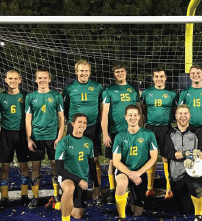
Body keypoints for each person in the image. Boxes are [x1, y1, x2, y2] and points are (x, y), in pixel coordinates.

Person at [45, 113, 97, 221]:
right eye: (79, 122)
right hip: (67, 177)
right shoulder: (64, 142)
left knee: (77, 215)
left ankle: (55, 204)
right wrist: (78, 180)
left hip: (82, 179)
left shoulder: (88, 143)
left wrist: (97, 185)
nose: (82, 125)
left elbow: (92, 166)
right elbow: (59, 169)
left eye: (85, 123)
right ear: (72, 124)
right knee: (69, 187)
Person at [111, 105, 158, 221]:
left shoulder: (148, 134)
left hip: (140, 172)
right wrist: (131, 174)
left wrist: (139, 173)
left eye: (135, 115)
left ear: (139, 116)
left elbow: (154, 157)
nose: (132, 117)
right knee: (121, 183)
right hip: (124, 171)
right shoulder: (120, 136)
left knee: (137, 213)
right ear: (125, 117)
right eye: (130, 115)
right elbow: (116, 161)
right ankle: (121, 217)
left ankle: (129, 199)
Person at [63, 60, 104, 203]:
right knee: (72, 159)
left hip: (92, 127)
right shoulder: (69, 88)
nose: (84, 73)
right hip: (74, 128)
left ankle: (96, 188)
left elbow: (101, 107)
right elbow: (66, 107)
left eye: (86, 70)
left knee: (94, 159)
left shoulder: (97, 87)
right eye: (81, 70)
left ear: (90, 72)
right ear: (76, 72)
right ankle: (74, 187)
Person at [163, 104, 202, 221]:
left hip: (194, 172)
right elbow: (169, 153)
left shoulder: (197, 132)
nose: (183, 116)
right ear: (176, 116)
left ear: (189, 116)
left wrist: (194, 157)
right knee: (184, 209)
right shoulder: (170, 133)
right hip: (177, 174)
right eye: (180, 113)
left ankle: (199, 216)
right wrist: (187, 153)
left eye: (185, 114)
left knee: (196, 188)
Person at [25, 69, 65, 209]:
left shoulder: (56, 96)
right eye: (39, 78)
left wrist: (60, 136)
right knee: (36, 167)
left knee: (55, 166)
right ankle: (35, 197)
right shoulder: (30, 97)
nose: (42, 80)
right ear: (36, 80)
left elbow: (61, 118)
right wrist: (29, 138)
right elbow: (28, 119)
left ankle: (56, 195)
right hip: (37, 137)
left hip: (53, 137)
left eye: (45, 78)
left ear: (49, 79)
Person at [101, 65, 141, 203]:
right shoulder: (108, 90)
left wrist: (140, 130)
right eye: (117, 72)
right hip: (114, 131)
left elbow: (139, 110)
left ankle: (131, 188)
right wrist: (105, 133)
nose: (120, 74)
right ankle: (113, 190)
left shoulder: (133, 89)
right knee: (112, 161)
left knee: (132, 158)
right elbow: (104, 113)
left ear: (126, 73)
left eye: (122, 71)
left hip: (132, 131)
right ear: (113, 74)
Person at [178, 65, 202, 201]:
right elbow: (180, 112)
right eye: (193, 73)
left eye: (198, 73)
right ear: (189, 76)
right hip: (189, 131)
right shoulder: (185, 92)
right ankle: (189, 190)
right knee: (188, 158)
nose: (195, 75)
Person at [141, 68, 178, 200]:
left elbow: (176, 110)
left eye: (161, 76)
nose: (159, 79)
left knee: (166, 158)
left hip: (166, 128)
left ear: (165, 78)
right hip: (151, 128)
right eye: (156, 76)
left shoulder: (172, 93)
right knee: (151, 157)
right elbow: (143, 109)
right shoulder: (146, 93)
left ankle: (169, 188)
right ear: (153, 78)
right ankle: (150, 188)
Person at [0, 70, 30, 208]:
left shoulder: (25, 96)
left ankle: (24, 194)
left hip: (21, 134)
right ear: (5, 80)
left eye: (15, 78)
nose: (12, 81)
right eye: (10, 78)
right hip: (6, 134)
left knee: (23, 165)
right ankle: (4, 197)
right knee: (4, 166)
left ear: (20, 80)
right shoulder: (1, 97)